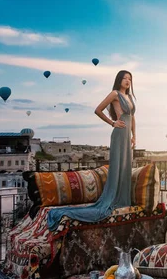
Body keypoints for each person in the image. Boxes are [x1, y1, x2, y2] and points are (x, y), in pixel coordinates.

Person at [47, 70, 136, 231]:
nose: (127, 81)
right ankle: (112, 199)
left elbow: (133, 118)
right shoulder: (114, 94)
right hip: (118, 134)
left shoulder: (130, 97)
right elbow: (98, 110)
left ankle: (123, 199)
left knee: (126, 166)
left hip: (127, 136)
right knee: (117, 166)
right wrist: (112, 123)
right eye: (125, 78)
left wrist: (134, 136)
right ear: (119, 80)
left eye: (130, 78)